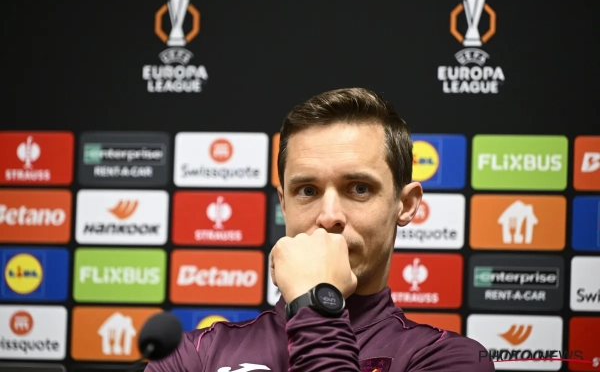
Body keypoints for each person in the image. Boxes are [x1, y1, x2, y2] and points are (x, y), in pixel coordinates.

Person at [145, 88, 495, 372]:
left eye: (359, 188)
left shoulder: (449, 358)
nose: (329, 216)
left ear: (405, 204)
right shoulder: (194, 355)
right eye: (308, 191)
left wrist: (314, 301)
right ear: (284, 204)